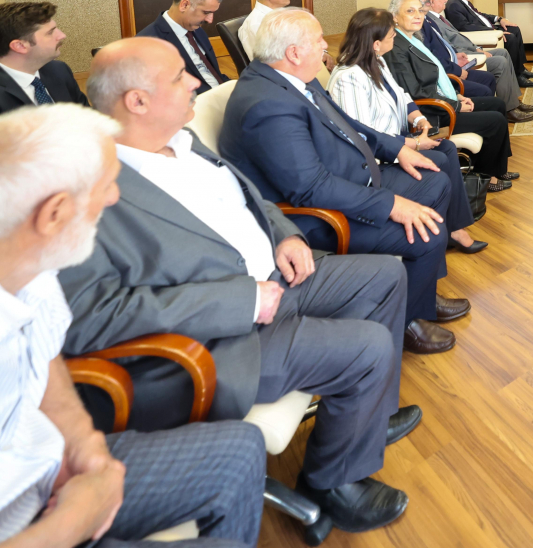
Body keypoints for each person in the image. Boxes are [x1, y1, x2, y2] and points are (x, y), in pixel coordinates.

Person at [60, 37, 423, 533]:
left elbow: (250, 199)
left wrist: (285, 233)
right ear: (137, 101)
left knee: (385, 274)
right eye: (179, 76)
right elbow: (92, 317)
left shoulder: (183, 141)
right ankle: (334, 484)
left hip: (279, 276)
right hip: (218, 338)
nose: (195, 81)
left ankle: (365, 422)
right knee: (368, 346)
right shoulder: (83, 193)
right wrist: (242, 301)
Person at [0, 103, 266, 548]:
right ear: (54, 213)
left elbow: (47, 360)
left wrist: (85, 444)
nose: (115, 199)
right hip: (30, 527)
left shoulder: (35, 272)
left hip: (54, 467)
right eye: (107, 185)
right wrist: (75, 519)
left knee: (243, 450)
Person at [218, 9, 473, 354]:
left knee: (435, 181)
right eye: (318, 40)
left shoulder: (294, 78)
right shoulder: (267, 104)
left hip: (349, 180)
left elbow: (350, 125)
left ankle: (421, 295)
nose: (326, 46)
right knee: (431, 233)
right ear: (294, 52)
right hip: (316, 215)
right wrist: (391, 204)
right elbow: (311, 189)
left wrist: (399, 149)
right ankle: (407, 322)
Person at [328, 7, 487, 254]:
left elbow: (402, 96)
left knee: (446, 147)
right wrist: (413, 144)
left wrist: (420, 119)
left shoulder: (377, 61)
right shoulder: (349, 78)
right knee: (440, 158)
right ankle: (447, 231)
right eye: (392, 36)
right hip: (377, 158)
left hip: (399, 140)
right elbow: (364, 135)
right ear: (376, 44)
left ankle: (452, 228)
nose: (395, 38)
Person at [384, 0, 516, 192]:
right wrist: (456, 105)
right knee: (495, 121)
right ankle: (485, 178)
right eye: (410, 11)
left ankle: (497, 169)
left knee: (497, 104)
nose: (418, 15)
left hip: (443, 101)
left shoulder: (414, 40)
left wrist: (458, 95)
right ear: (394, 16)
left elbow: (436, 79)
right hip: (432, 113)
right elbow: (414, 93)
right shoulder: (396, 48)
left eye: (419, 10)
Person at [420, 0, 533, 119]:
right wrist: (476, 52)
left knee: (503, 52)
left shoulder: (438, 18)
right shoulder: (431, 20)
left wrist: (477, 48)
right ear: (432, 1)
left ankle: (513, 101)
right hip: (463, 57)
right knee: (500, 62)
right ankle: (509, 109)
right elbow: (450, 45)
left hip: (468, 51)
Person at [137, 0, 229, 94]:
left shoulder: (197, 30)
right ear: (184, 5)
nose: (210, 20)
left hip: (222, 92)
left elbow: (214, 73)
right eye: (206, 13)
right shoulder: (148, 44)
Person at [0, 2, 89, 113]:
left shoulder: (59, 70)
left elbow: (87, 117)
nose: (62, 35)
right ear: (20, 46)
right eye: (50, 32)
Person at [444, 0, 533, 84]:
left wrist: (499, 19)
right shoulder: (454, 5)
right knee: (510, 38)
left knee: (515, 29)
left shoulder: (463, 1)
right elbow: (465, 27)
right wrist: (493, 31)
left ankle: (520, 69)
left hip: (488, 28)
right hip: (483, 32)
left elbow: (479, 15)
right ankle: (517, 76)